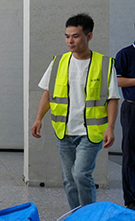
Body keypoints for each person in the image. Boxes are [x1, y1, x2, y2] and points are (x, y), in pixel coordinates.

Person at [31, 13, 119, 210]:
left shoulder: (105, 64)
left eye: (76, 36)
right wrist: (38, 119)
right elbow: (48, 93)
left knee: (80, 174)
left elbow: (113, 98)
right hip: (64, 131)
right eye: (67, 36)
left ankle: (88, 217)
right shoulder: (58, 62)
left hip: (91, 132)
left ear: (89, 36)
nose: (70, 41)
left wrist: (111, 127)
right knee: (69, 180)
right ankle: (76, 217)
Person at [115, 23, 135, 210]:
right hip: (132, 108)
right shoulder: (125, 54)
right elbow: (116, 80)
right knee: (130, 154)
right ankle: (131, 200)